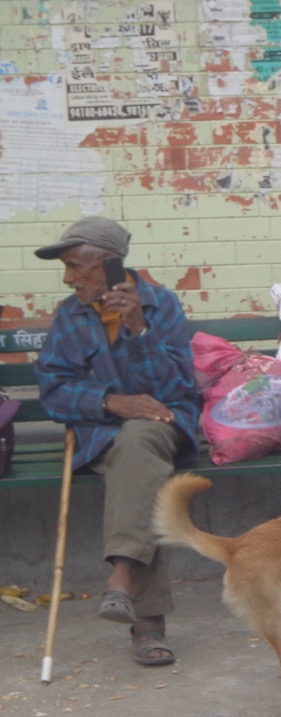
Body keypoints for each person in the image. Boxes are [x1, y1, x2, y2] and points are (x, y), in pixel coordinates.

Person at [33, 216, 201, 666]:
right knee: (136, 456)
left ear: (107, 263)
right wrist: (110, 402)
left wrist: (137, 330)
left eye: (75, 267)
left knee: (141, 440)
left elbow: (177, 388)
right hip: (101, 435)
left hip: (163, 426)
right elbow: (53, 390)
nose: (68, 278)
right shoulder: (69, 314)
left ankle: (122, 578)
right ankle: (146, 625)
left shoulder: (160, 305)